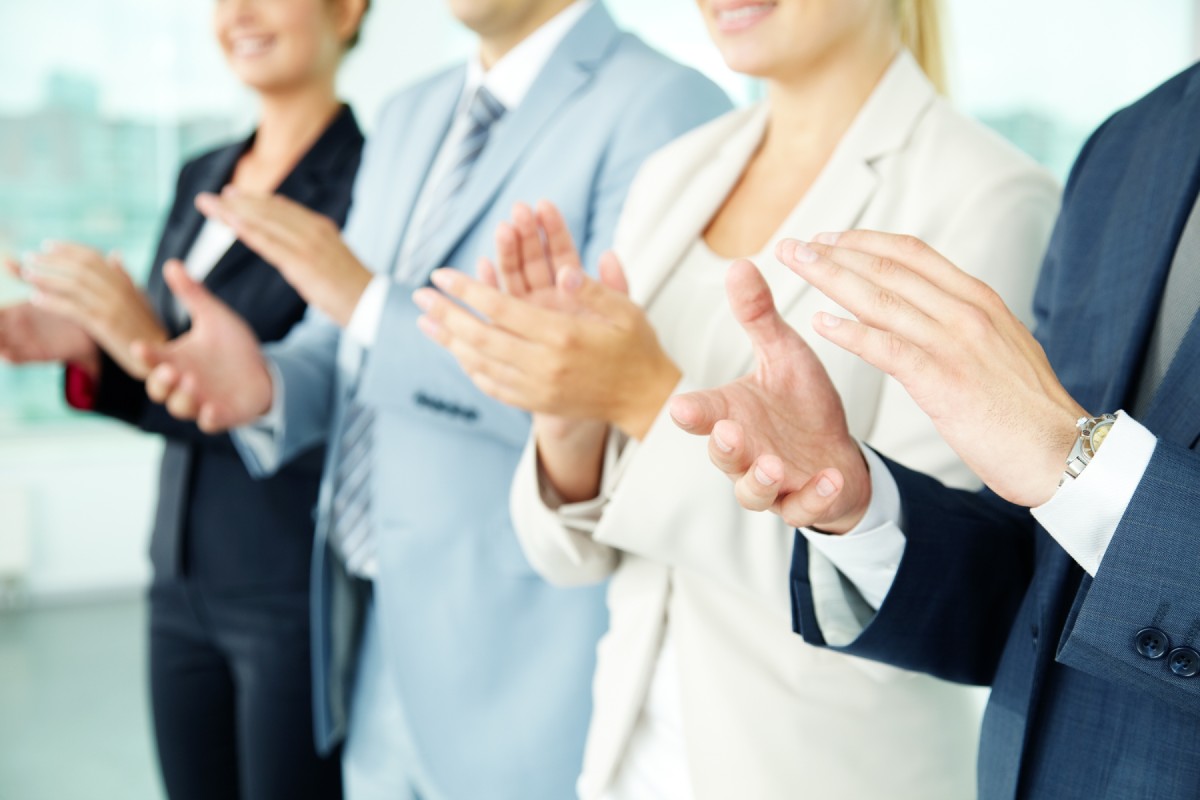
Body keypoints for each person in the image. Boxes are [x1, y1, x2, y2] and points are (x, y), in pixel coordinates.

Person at [412, 0, 1058, 796]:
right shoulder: (677, 171)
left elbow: (935, 593)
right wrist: (571, 423)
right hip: (630, 757)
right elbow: (572, 554)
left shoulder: (987, 196)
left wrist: (645, 398)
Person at [124, 2, 731, 798]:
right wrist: (266, 384)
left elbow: (609, 401)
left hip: (522, 663)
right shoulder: (412, 112)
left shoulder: (665, 106)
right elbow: (338, 345)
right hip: (371, 638)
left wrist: (370, 299)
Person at [669, 59, 1200, 800]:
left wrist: (1073, 459)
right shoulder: (1131, 142)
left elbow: (1081, 478)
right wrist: (860, 502)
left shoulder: (1000, 184)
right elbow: (1047, 587)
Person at [0, 1, 368, 798]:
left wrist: (137, 334)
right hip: (177, 572)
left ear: (348, 10)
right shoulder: (201, 172)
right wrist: (87, 343)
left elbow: (322, 397)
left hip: (286, 581)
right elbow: (173, 375)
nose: (238, 13)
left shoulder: (370, 182)